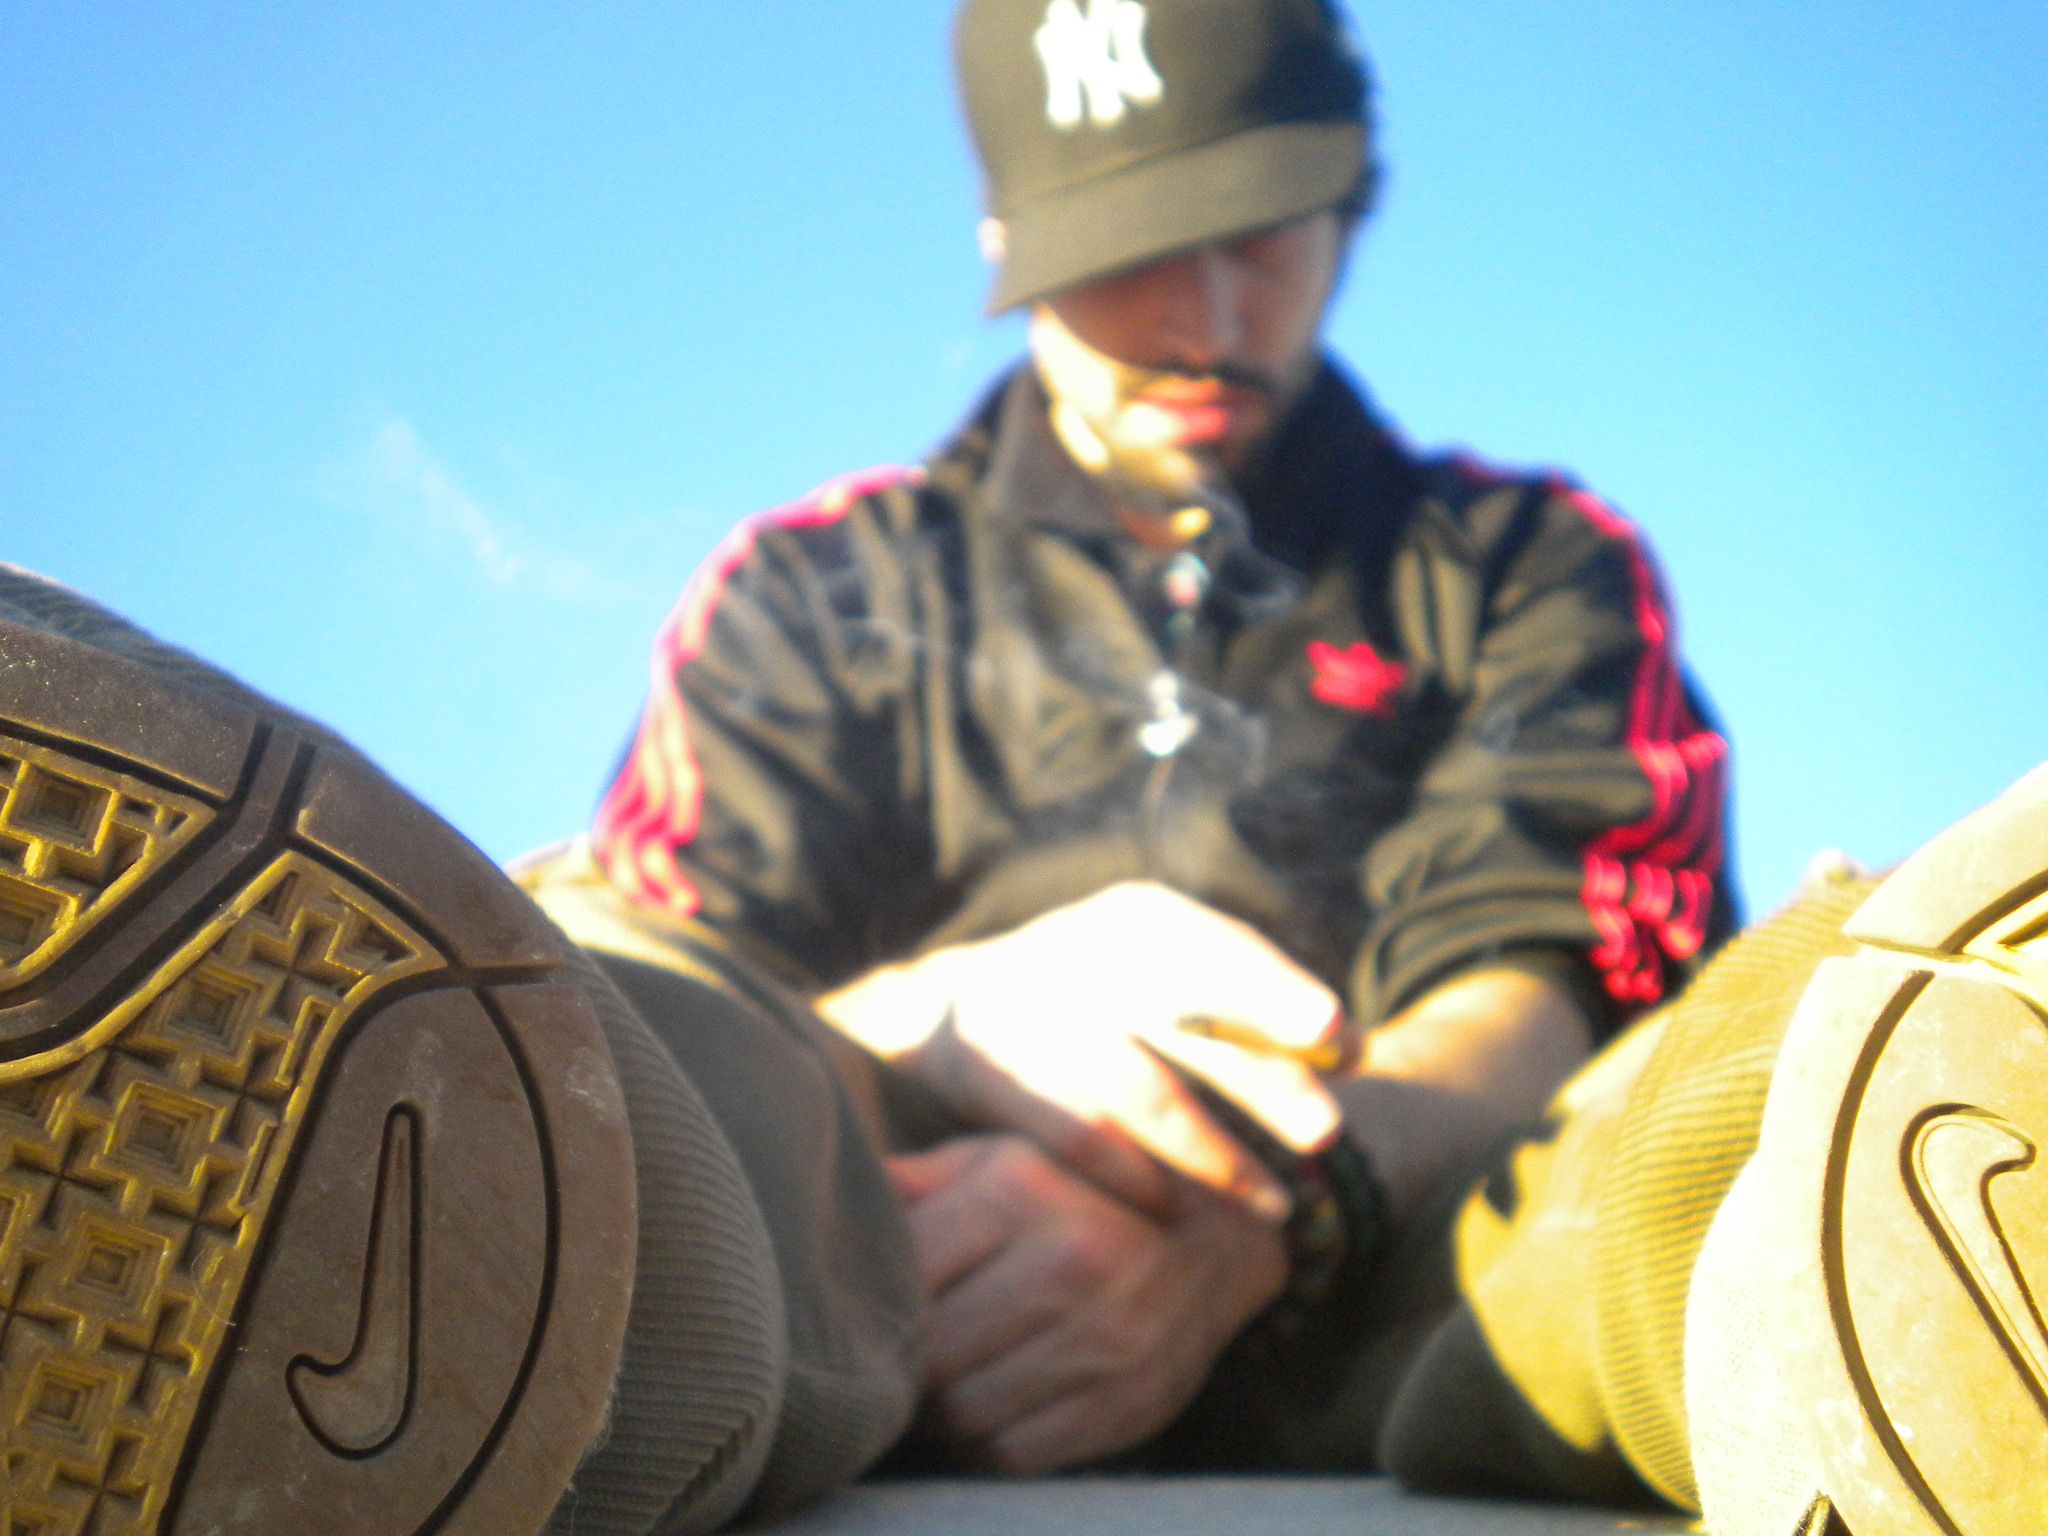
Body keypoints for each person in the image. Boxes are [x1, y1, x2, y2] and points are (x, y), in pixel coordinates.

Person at [2, 7, 2037, 1536]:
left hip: (1412, 1245)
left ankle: (1924, 1219)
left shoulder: (1527, 560)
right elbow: (713, 952)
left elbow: (1543, 972)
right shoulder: (814, 586)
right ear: (1010, 236)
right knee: (637, 1026)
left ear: (1352, 191)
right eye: (1137, 246)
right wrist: (954, 1017)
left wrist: (1275, 1204)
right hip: (886, 1248)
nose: (1212, 315)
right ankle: (342, 1229)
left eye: (1267, 228)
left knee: (1687, 1119)